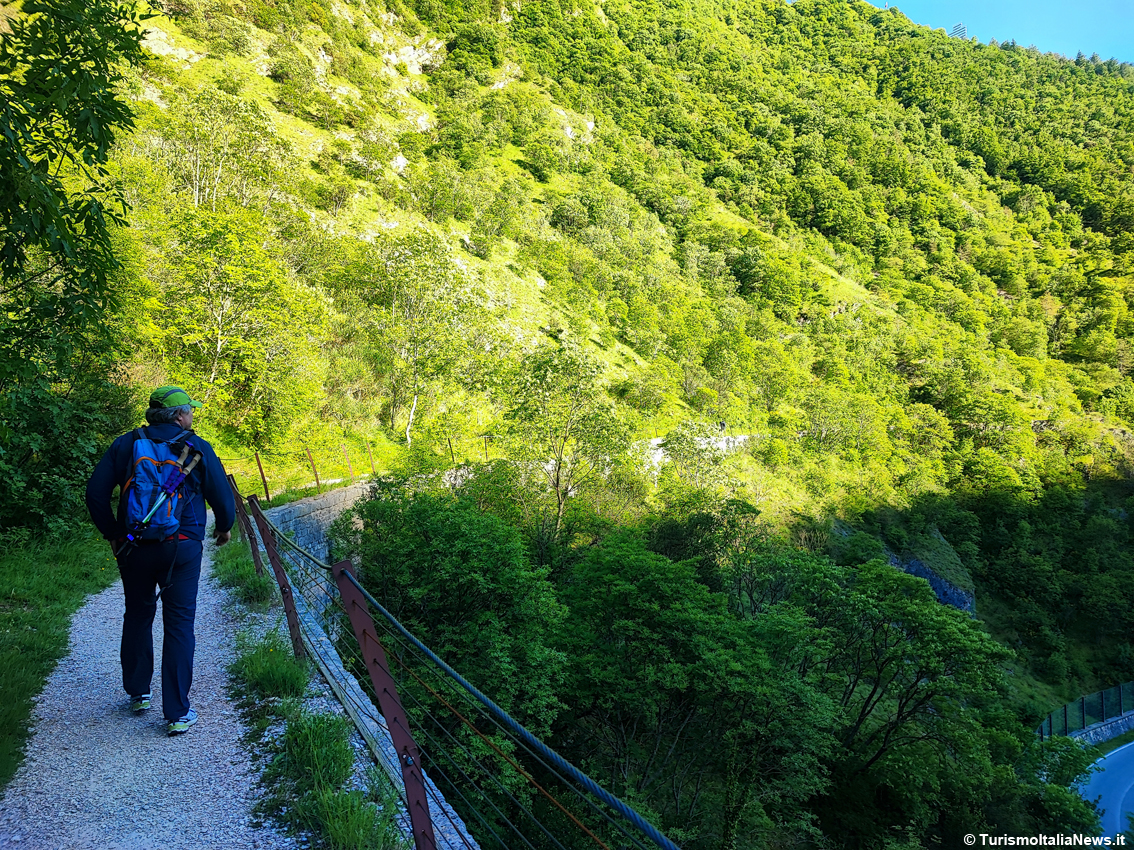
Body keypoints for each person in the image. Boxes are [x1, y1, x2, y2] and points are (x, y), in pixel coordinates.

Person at [85, 386, 235, 736]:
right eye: (190, 410)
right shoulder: (196, 447)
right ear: (179, 415)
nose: (193, 415)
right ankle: (177, 714)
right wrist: (224, 528)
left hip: (134, 545)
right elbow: (221, 497)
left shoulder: (126, 444)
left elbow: (94, 493)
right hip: (181, 546)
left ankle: (139, 692)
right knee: (179, 622)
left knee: (138, 612)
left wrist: (113, 533)